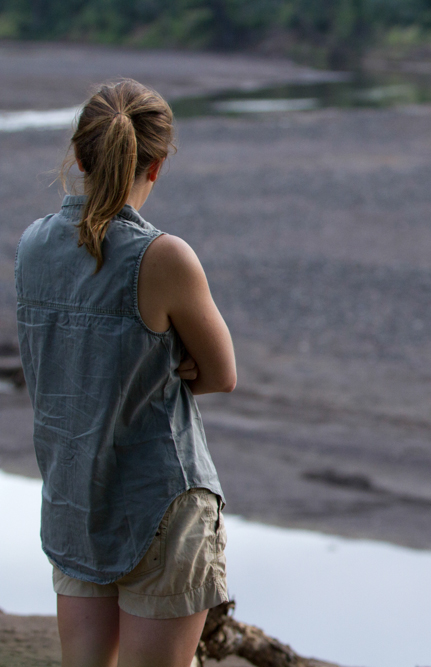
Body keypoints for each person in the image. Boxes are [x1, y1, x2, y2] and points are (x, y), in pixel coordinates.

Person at [15, 78, 237, 667]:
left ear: (80, 155)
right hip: (160, 500)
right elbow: (221, 374)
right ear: (157, 166)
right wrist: (167, 361)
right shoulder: (162, 257)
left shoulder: (34, 244)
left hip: (74, 497)